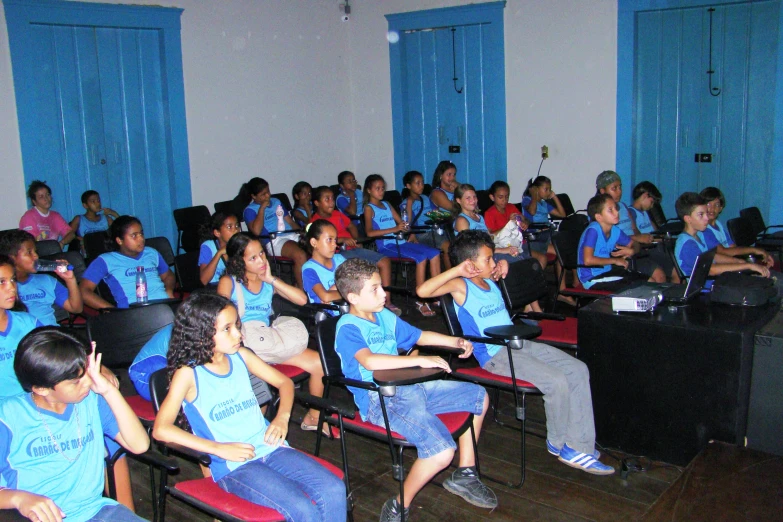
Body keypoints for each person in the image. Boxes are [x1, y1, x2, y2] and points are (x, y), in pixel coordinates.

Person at [416, 230, 615, 476]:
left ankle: (579, 444)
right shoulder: (460, 285)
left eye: (492, 258)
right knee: (556, 380)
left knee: (578, 368)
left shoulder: (490, 280)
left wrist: (497, 266)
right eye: (487, 259)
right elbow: (423, 291)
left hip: (517, 342)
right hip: (495, 356)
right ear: (469, 264)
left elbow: (501, 268)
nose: (493, 262)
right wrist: (457, 270)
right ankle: (563, 443)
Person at [152, 293, 346, 522]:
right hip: (234, 465)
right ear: (202, 334)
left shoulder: (241, 356)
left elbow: (284, 383)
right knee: (301, 508)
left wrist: (282, 418)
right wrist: (218, 449)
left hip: (270, 447)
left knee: (334, 489)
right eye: (227, 329)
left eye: (237, 325)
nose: (238, 334)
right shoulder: (188, 374)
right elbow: (161, 430)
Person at [333, 258, 497, 520]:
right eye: (374, 289)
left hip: (409, 386)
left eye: (381, 287)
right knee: (443, 451)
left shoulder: (382, 315)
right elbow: (369, 361)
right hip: (381, 400)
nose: (384, 294)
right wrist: (418, 359)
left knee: (478, 395)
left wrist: (455, 341)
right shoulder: (348, 327)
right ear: (353, 297)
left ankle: (465, 474)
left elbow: (419, 336)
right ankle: (399, 504)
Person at [0, 328, 150, 522]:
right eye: (76, 381)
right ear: (41, 388)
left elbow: (139, 445)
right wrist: (18, 499)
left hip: (96, 511)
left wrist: (109, 391)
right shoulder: (9, 417)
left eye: (87, 372)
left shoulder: (92, 400)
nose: (88, 382)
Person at [217, 233, 328, 434]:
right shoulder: (229, 282)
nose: (261, 261)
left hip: (265, 340)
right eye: (253, 258)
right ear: (238, 261)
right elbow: (218, 319)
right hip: (243, 346)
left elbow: (302, 300)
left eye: (262, 254)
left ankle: (314, 415)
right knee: (259, 391)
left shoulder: (267, 280)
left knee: (319, 363)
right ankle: (253, 433)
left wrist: (271, 279)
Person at [309, 186, 399, 315]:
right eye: (326, 199)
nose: (331, 202)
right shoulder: (316, 222)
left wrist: (355, 239)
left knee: (384, 261)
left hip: (352, 248)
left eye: (332, 198)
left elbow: (350, 225)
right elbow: (322, 241)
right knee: (361, 272)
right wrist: (341, 240)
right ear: (317, 203)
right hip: (338, 253)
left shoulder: (337, 214)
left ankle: (386, 302)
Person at [363, 175, 441, 317]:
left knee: (435, 253)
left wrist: (406, 228)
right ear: (368, 190)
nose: (381, 191)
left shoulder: (387, 204)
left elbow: (401, 223)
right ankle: (420, 300)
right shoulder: (369, 208)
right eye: (377, 188)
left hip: (400, 242)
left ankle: (435, 293)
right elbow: (369, 232)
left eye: (383, 188)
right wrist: (394, 229)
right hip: (386, 244)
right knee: (421, 258)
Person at [674, 192, 773, 285]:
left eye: (706, 213)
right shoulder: (687, 244)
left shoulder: (699, 234)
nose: (707, 218)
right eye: (701, 215)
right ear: (688, 219)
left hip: (718, 282)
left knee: (769, 281)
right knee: (761, 286)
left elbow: (714, 256)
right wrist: (749, 266)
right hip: (707, 290)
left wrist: (741, 263)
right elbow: (711, 270)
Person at [80, 216, 176, 309]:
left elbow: (168, 275)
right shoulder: (105, 261)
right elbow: (84, 291)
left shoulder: (151, 253)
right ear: (119, 240)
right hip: (132, 313)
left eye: (141, 233)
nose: (141, 239)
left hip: (164, 307)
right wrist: (110, 310)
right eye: (134, 236)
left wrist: (169, 290)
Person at [0, 230, 83, 326]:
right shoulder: (5, 288)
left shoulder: (47, 281)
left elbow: (76, 308)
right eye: (29, 252)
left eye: (35, 251)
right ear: (12, 258)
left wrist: (70, 280)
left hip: (51, 335)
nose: (36, 256)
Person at [596, 172, 665, 283]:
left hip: (633, 248)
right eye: (614, 188)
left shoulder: (623, 206)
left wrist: (640, 240)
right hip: (618, 253)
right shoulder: (600, 213)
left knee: (660, 275)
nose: (619, 191)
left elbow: (635, 230)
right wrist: (637, 239)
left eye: (620, 187)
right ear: (603, 191)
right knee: (654, 278)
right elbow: (608, 239)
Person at [238, 177, 307, 288]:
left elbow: (289, 220)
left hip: (291, 234)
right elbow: (256, 231)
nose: (267, 196)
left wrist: (302, 232)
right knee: (300, 255)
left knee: (316, 245)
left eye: (268, 192)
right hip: (273, 240)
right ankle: (303, 289)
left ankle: (311, 283)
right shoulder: (250, 210)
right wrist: (262, 209)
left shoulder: (276, 202)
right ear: (253, 196)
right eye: (263, 194)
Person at [577, 194, 650, 291]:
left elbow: (634, 244)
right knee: (638, 287)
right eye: (610, 210)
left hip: (607, 273)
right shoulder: (593, 231)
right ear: (599, 217)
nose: (616, 213)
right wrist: (615, 261)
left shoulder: (615, 230)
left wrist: (632, 251)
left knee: (650, 281)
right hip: (593, 278)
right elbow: (588, 260)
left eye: (615, 208)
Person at [521, 176, 574, 304]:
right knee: (558, 253)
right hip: (534, 240)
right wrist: (534, 195)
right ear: (536, 189)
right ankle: (535, 292)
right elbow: (532, 212)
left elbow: (562, 214)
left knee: (562, 253)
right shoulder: (527, 200)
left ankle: (562, 291)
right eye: (546, 189)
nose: (548, 191)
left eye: (550, 189)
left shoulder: (544, 203)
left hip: (545, 237)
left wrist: (554, 196)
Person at [0, 254, 42, 398]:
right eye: (1, 282)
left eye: (13, 279)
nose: (12, 287)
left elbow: (55, 350)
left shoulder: (28, 322)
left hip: (33, 400)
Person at [699, 186, 775, 267]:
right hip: (717, 267)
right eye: (708, 204)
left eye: (716, 205)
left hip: (730, 263)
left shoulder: (718, 224)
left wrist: (757, 257)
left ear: (721, 208)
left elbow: (733, 247)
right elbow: (723, 251)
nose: (712, 208)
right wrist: (754, 250)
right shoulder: (704, 229)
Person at [484, 180, 548, 270]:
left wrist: (525, 223)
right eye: (500, 197)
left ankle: (533, 282)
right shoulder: (489, 213)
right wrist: (508, 224)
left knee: (543, 258)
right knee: (525, 264)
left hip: (520, 243)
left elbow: (526, 219)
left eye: (507, 197)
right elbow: (491, 235)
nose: (504, 200)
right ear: (492, 197)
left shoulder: (511, 207)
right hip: (504, 246)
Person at [453, 183, 521, 263]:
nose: (473, 200)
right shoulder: (461, 220)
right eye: (468, 198)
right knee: (512, 262)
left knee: (520, 257)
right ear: (459, 200)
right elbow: (471, 249)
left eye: (474, 197)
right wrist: (502, 250)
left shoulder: (479, 217)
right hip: (476, 259)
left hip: (489, 252)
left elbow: (489, 238)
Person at [627, 181, 679, 282]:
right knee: (661, 275)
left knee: (678, 271)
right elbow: (637, 235)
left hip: (656, 246)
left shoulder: (646, 213)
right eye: (652, 202)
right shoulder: (631, 212)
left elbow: (656, 231)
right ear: (645, 196)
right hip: (648, 249)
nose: (652, 206)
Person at [401, 170, 451, 270]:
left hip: (434, 229)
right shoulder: (405, 203)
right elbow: (407, 223)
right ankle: (452, 274)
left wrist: (443, 216)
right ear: (408, 186)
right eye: (417, 183)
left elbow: (434, 211)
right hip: (422, 233)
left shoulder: (425, 198)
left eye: (422, 182)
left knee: (454, 246)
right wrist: (410, 204)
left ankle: (450, 271)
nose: (421, 186)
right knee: (448, 247)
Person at [19, 180, 75, 248]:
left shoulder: (55, 216)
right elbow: (29, 242)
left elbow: (70, 233)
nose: (46, 199)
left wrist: (62, 243)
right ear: (34, 201)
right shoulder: (29, 217)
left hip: (53, 252)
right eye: (41, 197)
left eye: (47, 195)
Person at [198, 211, 241, 286]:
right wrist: (219, 253)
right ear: (217, 233)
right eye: (229, 227)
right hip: (215, 288)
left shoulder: (241, 244)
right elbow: (204, 280)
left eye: (237, 226)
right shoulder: (208, 246)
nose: (236, 230)